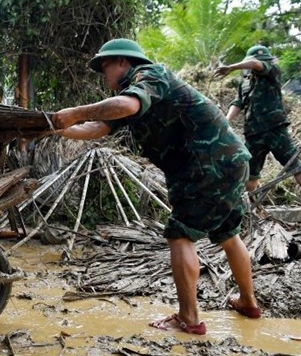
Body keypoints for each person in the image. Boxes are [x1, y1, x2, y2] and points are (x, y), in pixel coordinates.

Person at [52, 38, 261, 335]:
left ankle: (189, 318)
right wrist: (59, 128)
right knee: (228, 233)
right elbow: (98, 128)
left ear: (123, 61)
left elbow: (124, 105)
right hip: (229, 161)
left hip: (205, 164)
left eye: (104, 66)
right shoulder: (133, 95)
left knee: (180, 235)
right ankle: (248, 302)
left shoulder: (149, 75)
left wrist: (75, 111)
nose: (103, 73)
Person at [214, 44, 301, 208]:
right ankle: (252, 207)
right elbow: (238, 102)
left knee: (294, 164)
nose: (258, 63)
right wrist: (226, 120)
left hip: (275, 129)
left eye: (261, 61)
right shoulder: (245, 84)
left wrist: (231, 67)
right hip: (254, 133)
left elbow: (257, 64)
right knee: (251, 172)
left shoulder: (272, 72)